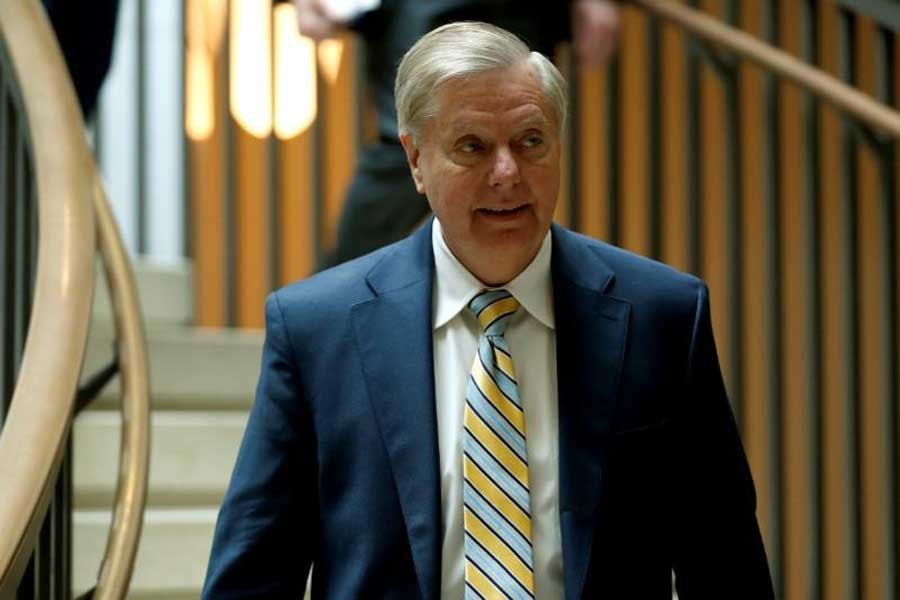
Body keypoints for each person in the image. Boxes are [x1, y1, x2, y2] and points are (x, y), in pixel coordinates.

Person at [202, 22, 774, 599]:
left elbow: (725, 565)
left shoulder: (662, 315)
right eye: (472, 147)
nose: (508, 173)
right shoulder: (317, 329)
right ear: (416, 160)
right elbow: (252, 577)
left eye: (531, 141)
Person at [284, 0, 621, 267]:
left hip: (520, 10)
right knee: (416, 144)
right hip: (421, 11)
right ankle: (337, 312)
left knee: (521, 141)